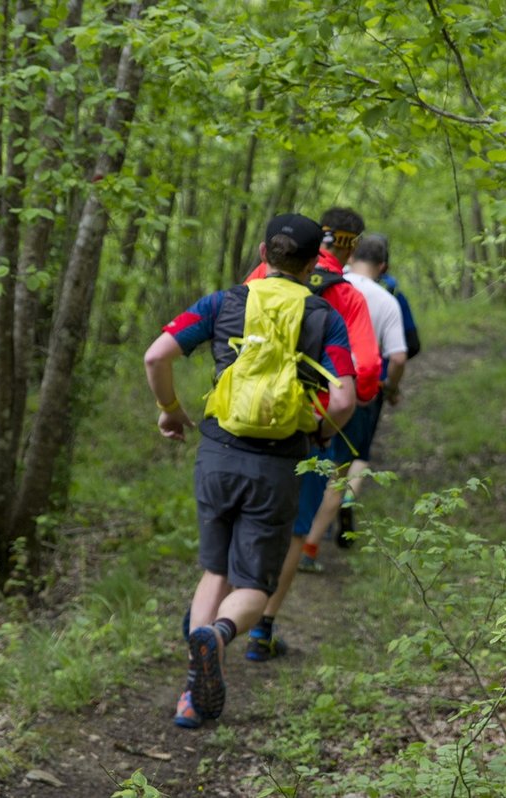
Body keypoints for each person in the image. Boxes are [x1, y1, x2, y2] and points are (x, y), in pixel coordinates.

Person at [144, 213, 356, 728]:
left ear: (263, 252)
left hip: (217, 449)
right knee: (254, 587)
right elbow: (346, 396)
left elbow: (156, 355)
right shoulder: (322, 315)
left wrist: (171, 408)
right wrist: (321, 434)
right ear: (312, 264)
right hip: (278, 460)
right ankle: (217, 636)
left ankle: (193, 696)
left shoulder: (224, 302)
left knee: (215, 570)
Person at [242, 207, 380, 663]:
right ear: (352, 245)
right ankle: (261, 629)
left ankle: (214, 619)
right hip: (307, 425)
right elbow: (367, 374)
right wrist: (336, 416)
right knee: (296, 529)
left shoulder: (262, 273)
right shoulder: (348, 297)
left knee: (241, 515)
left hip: (244, 418)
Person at [297, 234, 407, 569]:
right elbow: (398, 357)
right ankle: (311, 545)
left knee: (306, 461)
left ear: (350, 254)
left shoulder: (325, 284)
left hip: (314, 384)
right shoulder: (386, 300)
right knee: (347, 467)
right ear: (383, 266)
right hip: (360, 391)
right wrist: (389, 388)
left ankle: (289, 532)